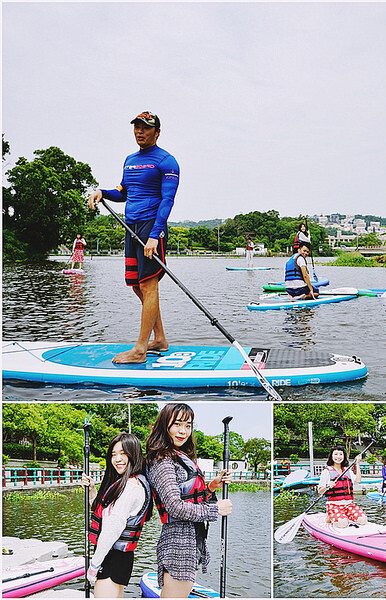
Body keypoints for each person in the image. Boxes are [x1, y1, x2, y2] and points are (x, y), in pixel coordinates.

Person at [88, 111, 179, 363]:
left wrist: (155, 234)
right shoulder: (129, 160)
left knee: (149, 285)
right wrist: (101, 193)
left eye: (146, 128)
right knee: (138, 286)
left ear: (157, 132)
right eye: (137, 127)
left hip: (151, 227)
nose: (140, 131)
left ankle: (140, 350)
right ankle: (159, 339)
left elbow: (168, 200)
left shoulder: (167, 161)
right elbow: (123, 191)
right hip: (131, 227)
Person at [145, 403, 232, 598]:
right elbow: (175, 507)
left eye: (188, 425)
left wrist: (210, 487)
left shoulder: (178, 456)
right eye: (177, 424)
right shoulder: (162, 460)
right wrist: (215, 509)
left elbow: (189, 498)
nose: (183, 431)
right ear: (164, 425)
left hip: (190, 539)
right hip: (178, 543)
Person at [82, 433, 152, 598]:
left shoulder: (131, 487)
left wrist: (94, 566)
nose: (117, 459)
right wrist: (92, 489)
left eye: (123, 453)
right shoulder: (129, 482)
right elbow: (105, 513)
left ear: (133, 454)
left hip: (112, 557)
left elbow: (111, 531)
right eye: (114, 455)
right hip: (119, 557)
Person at [317, 445, 367, 528]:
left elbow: (358, 480)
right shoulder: (326, 471)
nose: (338, 457)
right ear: (332, 457)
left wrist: (357, 463)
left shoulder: (347, 470)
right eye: (336, 454)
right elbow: (320, 490)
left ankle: (342, 515)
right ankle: (330, 516)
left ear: (344, 456)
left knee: (363, 520)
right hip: (334, 504)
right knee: (343, 523)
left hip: (348, 504)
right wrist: (327, 486)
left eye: (341, 454)